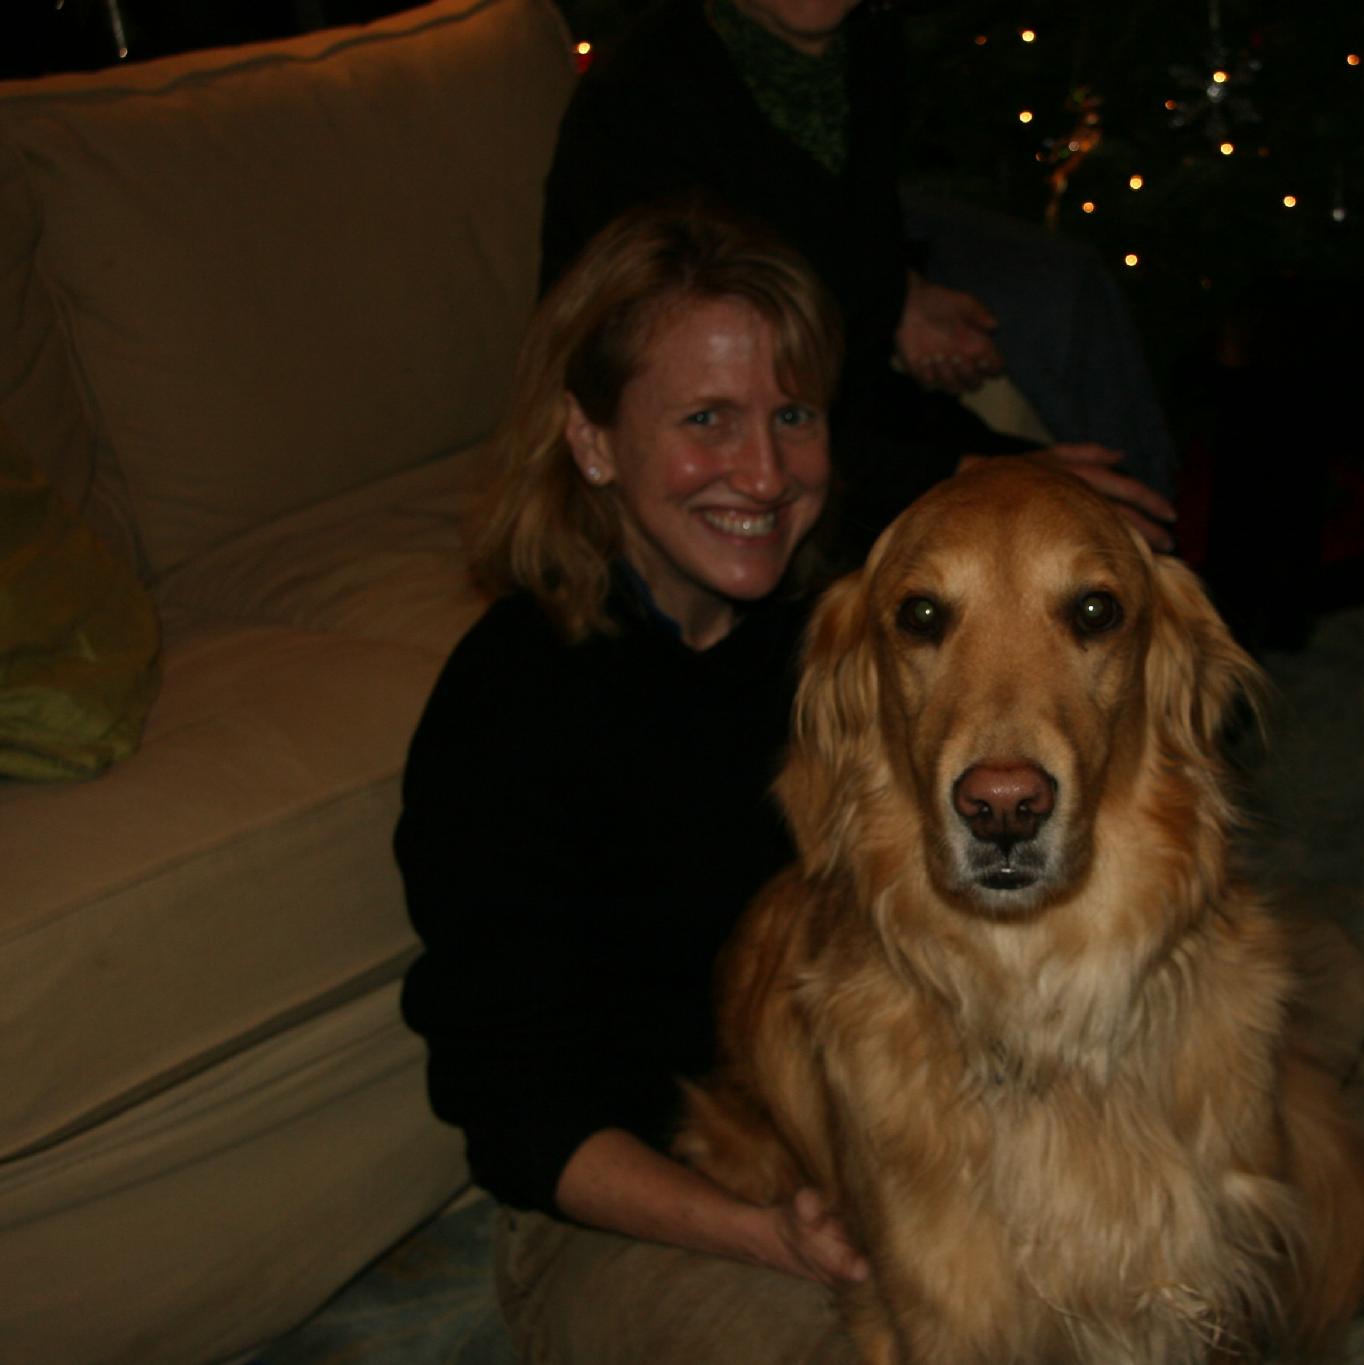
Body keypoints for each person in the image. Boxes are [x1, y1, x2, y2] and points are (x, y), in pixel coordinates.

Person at [395, 205, 869, 1364]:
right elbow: (516, 1110)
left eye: (792, 416)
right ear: (592, 439)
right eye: (706, 419)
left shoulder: (833, 642)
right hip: (639, 1210)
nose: (764, 473)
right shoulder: (512, 703)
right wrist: (766, 1234)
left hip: (861, 1131)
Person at [539, 0, 1179, 559]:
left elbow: (850, 234)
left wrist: (903, 292)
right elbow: (693, 432)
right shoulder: (638, 110)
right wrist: (973, 474)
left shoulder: (865, 43)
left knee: (1107, 503)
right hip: (728, 476)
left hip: (852, 420)